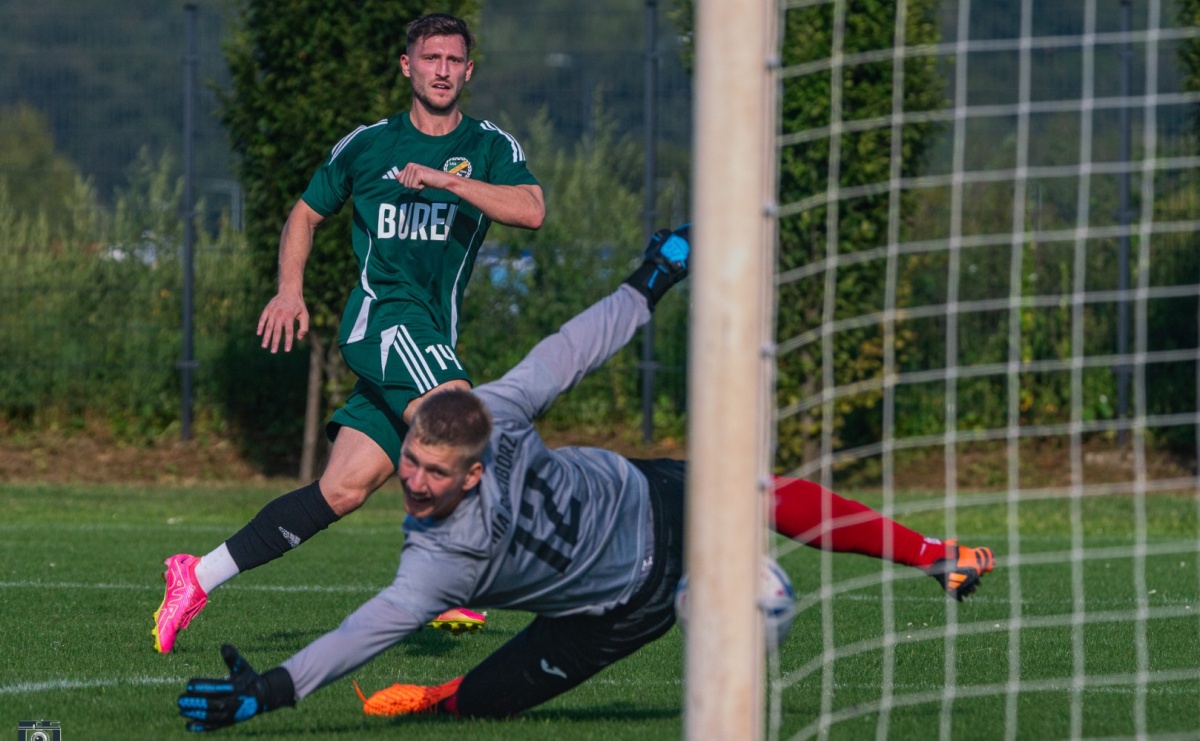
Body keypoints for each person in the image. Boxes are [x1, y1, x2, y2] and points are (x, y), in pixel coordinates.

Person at [174, 225, 994, 731]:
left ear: (468, 473)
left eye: (431, 473)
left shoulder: (465, 499)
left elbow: (572, 346)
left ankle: (933, 554)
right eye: (411, 462)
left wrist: (652, 278)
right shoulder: (466, 479)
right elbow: (364, 632)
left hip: (653, 509)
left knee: (756, 489)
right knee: (481, 707)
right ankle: (442, 697)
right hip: (604, 613)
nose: (413, 482)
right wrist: (272, 690)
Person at [153, 12, 546, 654]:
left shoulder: (489, 147)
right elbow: (305, 214)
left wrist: (449, 180)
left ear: (469, 71)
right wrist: (289, 290)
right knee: (461, 421)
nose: (442, 70)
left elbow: (531, 210)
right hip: (384, 321)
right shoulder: (366, 145)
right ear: (407, 66)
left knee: (341, 490)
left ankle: (196, 575)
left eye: (454, 60)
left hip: (429, 333)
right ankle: (454, 582)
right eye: (430, 59)